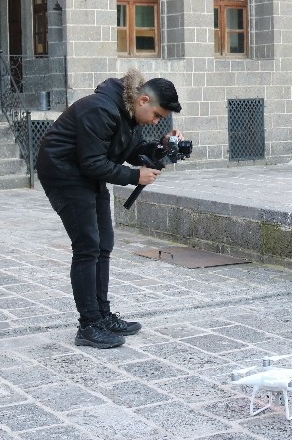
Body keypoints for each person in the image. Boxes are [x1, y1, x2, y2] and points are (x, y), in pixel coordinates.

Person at [36, 69, 183, 349]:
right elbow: (93, 162)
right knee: (87, 245)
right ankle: (88, 325)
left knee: (104, 243)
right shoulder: (100, 109)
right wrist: (133, 177)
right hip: (64, 174)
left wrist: (162, 146)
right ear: (142, 100)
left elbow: (130, 149)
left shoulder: (126, 112)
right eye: (157, 116)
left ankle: (102, 315)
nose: (156, 121)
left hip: (86, 175)